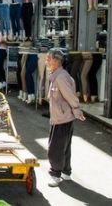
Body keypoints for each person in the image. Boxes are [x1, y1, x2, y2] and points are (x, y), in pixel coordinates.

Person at [45, 49, 85, 187]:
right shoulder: (58, 75)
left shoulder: (61, 77)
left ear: (57, 61)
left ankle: (55, 175)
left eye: (48, 58)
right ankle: (66, 172)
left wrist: (76, 109)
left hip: (62, 118)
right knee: (65, 147)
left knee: (55, 148)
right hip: (63, 117)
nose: (47, 61)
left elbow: (70, 96)